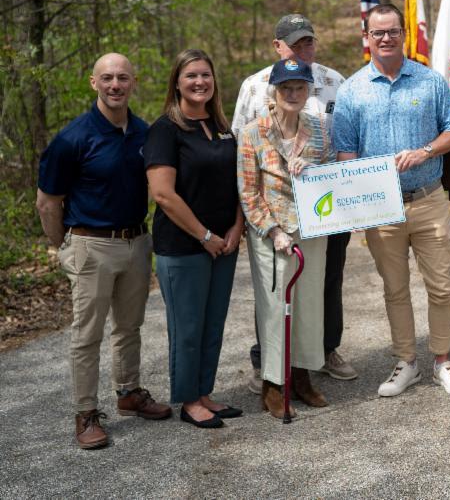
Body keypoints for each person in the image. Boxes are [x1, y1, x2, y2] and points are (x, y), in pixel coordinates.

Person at [333, 3, 450, 398]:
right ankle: (407, 361)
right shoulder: (351, 90)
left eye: (393, 31)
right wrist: (355, 203)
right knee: (395, 288)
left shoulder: (429, 82)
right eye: (378, 32)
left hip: (428, 199)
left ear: (404, 33)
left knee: (441, 285)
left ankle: (442, 360)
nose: (386, 38)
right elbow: (346, 153)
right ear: (367, 37)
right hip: (381, 207)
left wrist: (426, 151)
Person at [36, 53, 172, 449]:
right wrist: (64, 245)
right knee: (87, 335)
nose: (116, 85)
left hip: (135, 242)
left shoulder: (144, 133)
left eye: (123, 78)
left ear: (134, 83)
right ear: (94, 83)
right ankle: (85, 413)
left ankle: (129, 392)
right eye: (108, 78)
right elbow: (47, 202)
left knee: (129, 327)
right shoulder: (73, 138)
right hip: (90, 243)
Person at [231, 13, 355, 389]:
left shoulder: (336, 83)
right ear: (278, 46)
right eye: (295, 43)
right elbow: (241, 152)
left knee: (323, 286)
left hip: (322, 214)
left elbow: (341, 151)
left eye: (309, 43)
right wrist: (255, 221)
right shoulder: (254, 88)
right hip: (273, 221)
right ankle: (268, 367)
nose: (304, 50)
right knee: (274, 295)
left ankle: (319, 355)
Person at [145, 49, 245, 429]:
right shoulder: (165, 130)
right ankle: (188, 400)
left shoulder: (221, 126)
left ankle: (204, 392)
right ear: (177, 82)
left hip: (225, 244)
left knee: (212, 323)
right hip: (185, 246)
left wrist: (236, 227)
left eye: (205, 75)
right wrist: (205, 236)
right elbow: (163, 194)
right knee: (187, 327)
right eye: (191, 76)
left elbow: (238, 183)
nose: (200, 82)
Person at [239, 58, 335, 417]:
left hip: (311, 228)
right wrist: (273, 230)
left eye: (299, 87)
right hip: (272, 234)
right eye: (286, 88)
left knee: (309, 306)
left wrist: (313, 170)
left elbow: (332, 177)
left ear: (308, 90)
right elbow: (248, 192)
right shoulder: (254, 132)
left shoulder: (319, 128)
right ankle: (274, 384)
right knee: (275, 307)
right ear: (274, 92)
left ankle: (303, 376)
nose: (292, 94)